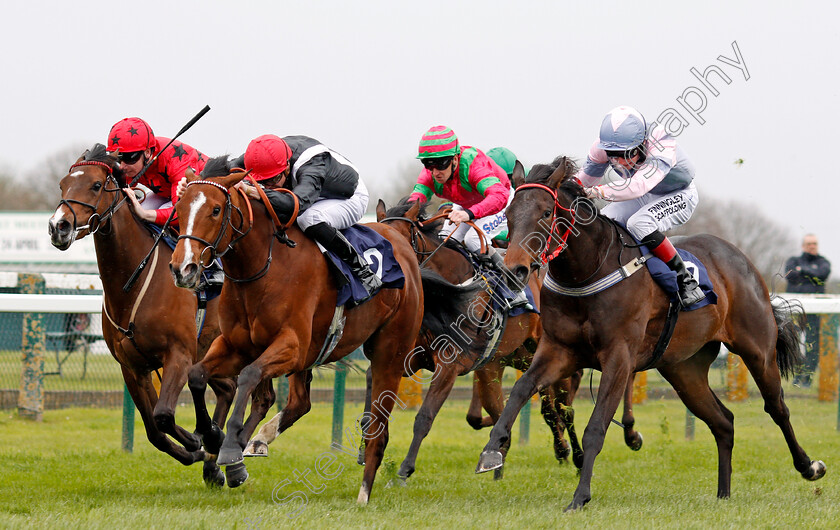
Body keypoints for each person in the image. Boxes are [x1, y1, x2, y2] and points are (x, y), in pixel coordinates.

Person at [577, 105, 704, 307]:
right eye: (612, 153)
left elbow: (638, 186)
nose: (618, 161)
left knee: (639, 223)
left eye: (626, 153)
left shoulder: (660, 141)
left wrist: (596, 192)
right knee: (604, 222)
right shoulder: (600, 147)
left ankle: (685, 280)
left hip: (679, 194)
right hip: (644, 193)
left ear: (642, 143)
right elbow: (583, 181)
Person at [232, 134, 382, 297]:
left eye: (274, 179)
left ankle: (362, 270)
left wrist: (257, 191)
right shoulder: (262, 155)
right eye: (263, 181)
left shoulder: (312, 165)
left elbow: (295, 205)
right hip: (308, 190)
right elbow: (229, 168)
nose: (269, 186)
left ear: (287, 167)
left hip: (347, 197)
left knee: (308, 218)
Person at [408, 126, 513, 275]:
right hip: (467, 204)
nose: (435, 172)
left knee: (473, 240)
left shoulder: (472, 165)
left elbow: (499, 196)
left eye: (440, 164)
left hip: (502, 201)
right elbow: (415, 199)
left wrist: (469, 214)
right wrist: (409, 214)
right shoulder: (430, 174)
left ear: (455, 159)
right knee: (445, 241)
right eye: (429, 164)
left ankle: (511, 283)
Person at [107, 117, 207, 226]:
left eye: (128, 158)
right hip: (167, 193)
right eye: (117, 158)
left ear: (147, 153)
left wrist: (144, 214)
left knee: (146, 213)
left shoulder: (176, 161)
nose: (121, 167)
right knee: (133, 213)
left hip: (200, 198)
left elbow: (182, 213)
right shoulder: (133, 164)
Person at [785, 234, 831, 387]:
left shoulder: (824, 262)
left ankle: (808, 377)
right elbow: (790, 276)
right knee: (795, 342)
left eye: (815, 243)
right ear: (803, 246)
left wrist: (803, 271)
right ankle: (797, 376)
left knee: (812, 343)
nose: (812, 246)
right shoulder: (793, 261)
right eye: (809, 243)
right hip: (795, 310)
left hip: (814, 311)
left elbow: (821, 275)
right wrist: (810, 272)